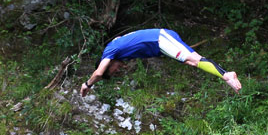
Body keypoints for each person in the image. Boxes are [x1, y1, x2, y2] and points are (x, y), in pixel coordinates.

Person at [80, 28, 242, 97]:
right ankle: (226, 75)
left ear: (108, 63)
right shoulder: (117, 49)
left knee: (193, 60)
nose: (116, 71)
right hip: (161, 42)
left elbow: (99, 73)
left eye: (112, 70)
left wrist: (87, 85)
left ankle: (227, 75)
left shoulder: (109, 51)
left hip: (161, 39)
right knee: (192, 61)